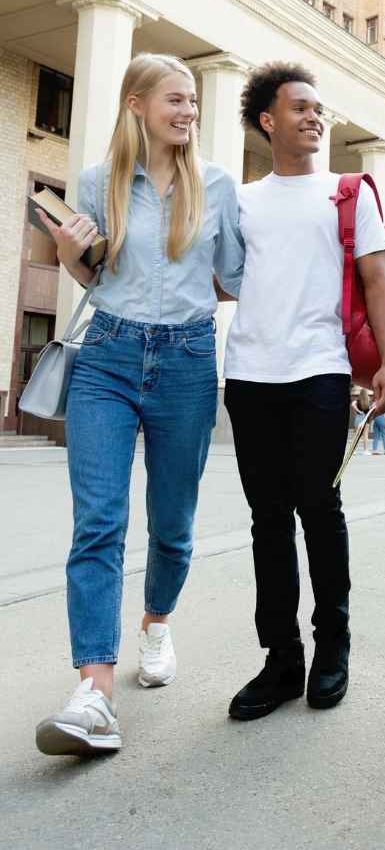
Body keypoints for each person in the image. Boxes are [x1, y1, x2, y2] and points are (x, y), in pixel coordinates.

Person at [34, 53, 245, 757]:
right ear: (137, 105)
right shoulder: (98, 183)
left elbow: (237, 276)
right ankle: (94, 688)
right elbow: (93, 271)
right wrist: (69, 253)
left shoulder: (216, 184)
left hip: (186, 361)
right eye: (176, 100)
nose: (188, 111)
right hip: (108, 358)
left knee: (173, 523)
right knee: (98, 522)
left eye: (192, 101)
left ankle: (156, 622)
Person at [224, 62, 385, 721]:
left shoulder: (347, 193)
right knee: (266, 519)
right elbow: (221, 279)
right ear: (269, 121)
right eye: (300, 107)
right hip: (248, 374)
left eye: (319, 108)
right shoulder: (241, 199)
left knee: (318, 508)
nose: (314, 117)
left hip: (321, 370)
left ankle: (333, 647)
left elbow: (377, 281)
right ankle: (280, 660)